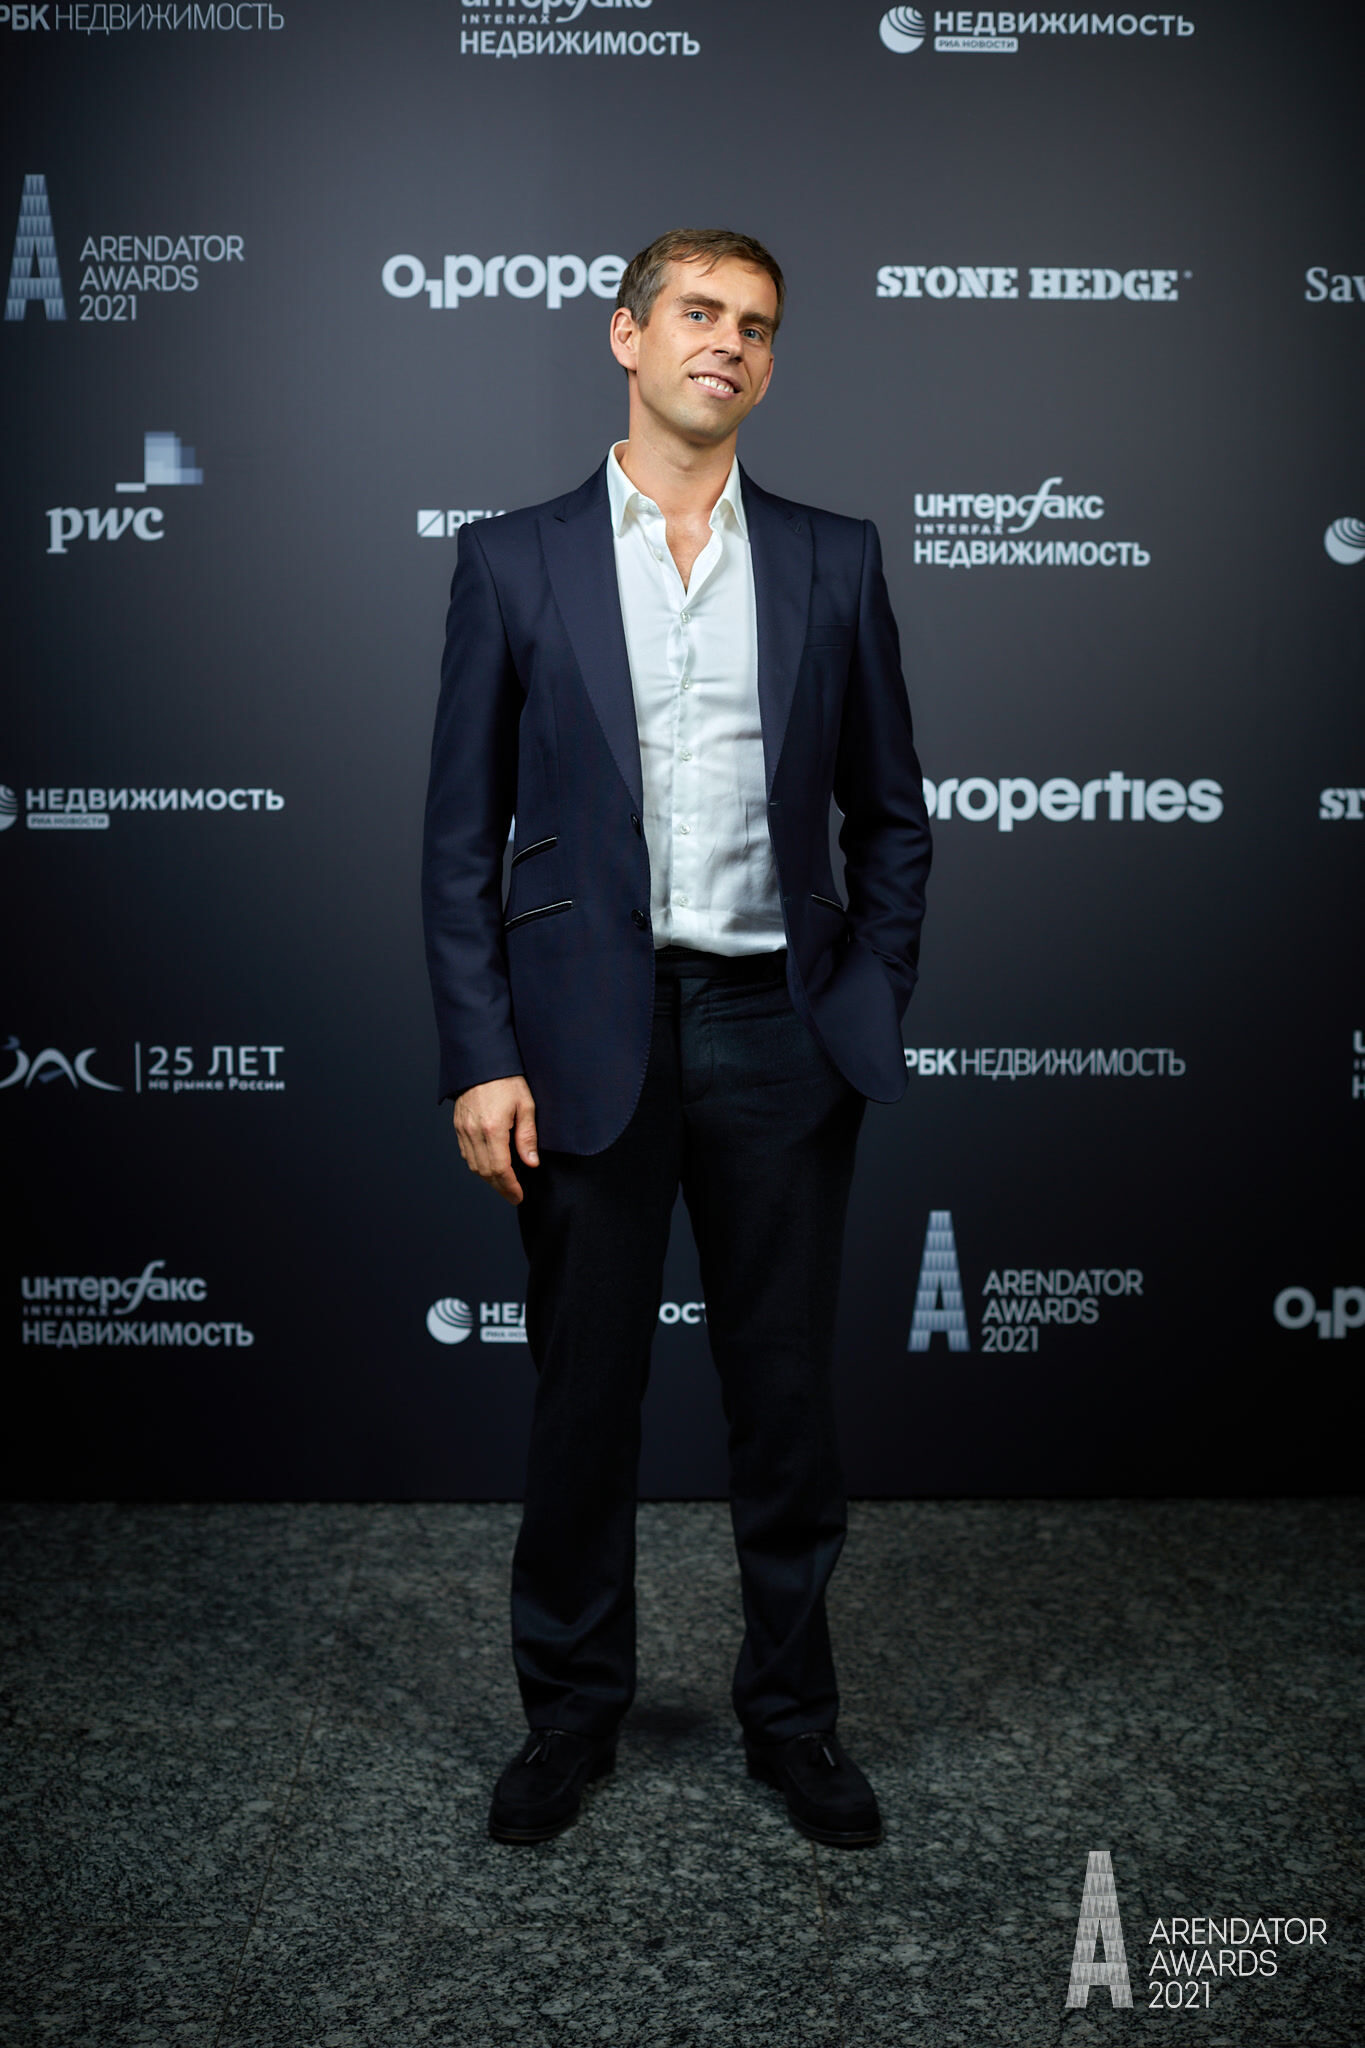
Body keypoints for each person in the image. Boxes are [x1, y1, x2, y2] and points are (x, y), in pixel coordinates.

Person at [422, 227, 932, 1850]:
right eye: (700, 313)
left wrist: (862, 996)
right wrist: (479, 1052)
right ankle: (569, 1718)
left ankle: (793, 1723)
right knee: (584, 1401)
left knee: (784, 1404)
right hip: (583, 1034)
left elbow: (892, 818)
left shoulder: (834, 557)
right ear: (626, 334)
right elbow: (458, 839)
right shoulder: (514, 560)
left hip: (780, 1028)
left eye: (757, 325)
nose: (729, 342)